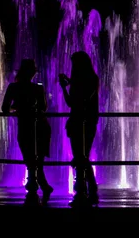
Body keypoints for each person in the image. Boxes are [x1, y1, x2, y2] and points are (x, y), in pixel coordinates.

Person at [2, 59, 53, 204]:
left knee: (30, 159)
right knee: (36, 160)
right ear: (32, 73)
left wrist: (17, 109)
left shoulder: (13, 87)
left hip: (25, 125)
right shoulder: (37, 88)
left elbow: (5, 109)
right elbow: (43, 108)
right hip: (40, 125)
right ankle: (42, 187)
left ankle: (37, 188)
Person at [59, 50, 99, 206]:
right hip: (77, 121)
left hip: (85, 122)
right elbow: (71, 103)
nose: (73, 66)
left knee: (81, 157)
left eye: (75, 63)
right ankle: (87, 190)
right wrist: (65, 87)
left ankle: (87, 190)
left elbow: (81, 100)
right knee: (80, 157)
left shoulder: (90, 79)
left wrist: (71, 84)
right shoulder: (83, 80)